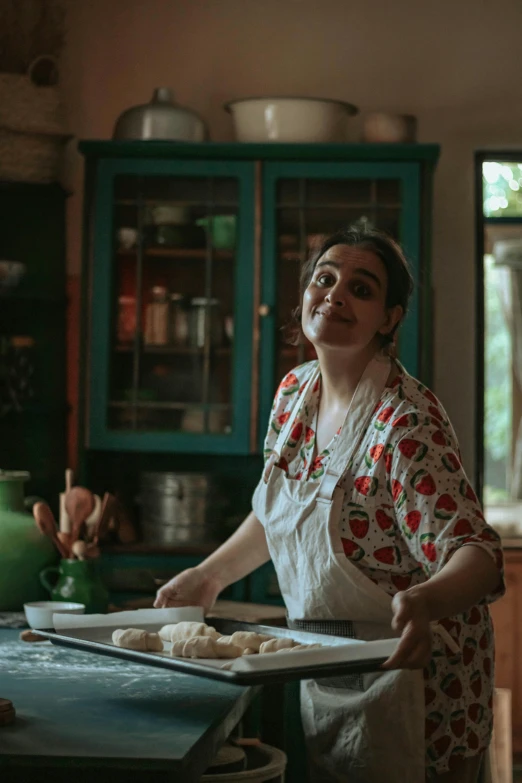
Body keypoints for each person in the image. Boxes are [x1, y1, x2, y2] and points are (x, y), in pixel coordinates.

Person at [155, 226, 505, 783]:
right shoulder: (295, 394)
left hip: (423, 680)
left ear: (388, 319)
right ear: (304, 298)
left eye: (361, 289)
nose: (336, 293)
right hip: (333, 664)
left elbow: (478, 553)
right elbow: (280, 513)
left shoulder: (404, 424)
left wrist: (423, 600)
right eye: (325, 278)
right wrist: (207, 575)